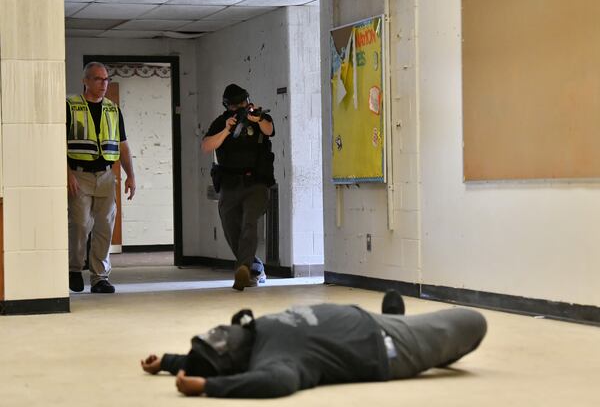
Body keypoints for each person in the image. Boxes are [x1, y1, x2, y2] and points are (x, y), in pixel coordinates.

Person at [140, 291, 487, 398]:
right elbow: (278, 383)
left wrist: (169, 361)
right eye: (220, 343)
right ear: (233, 359)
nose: (222, 333)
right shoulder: (274, 359)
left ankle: (397, 316)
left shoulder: (254, 330)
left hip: (366, 320)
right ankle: (408, 328)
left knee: (394, 307)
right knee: (474, 321)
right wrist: (207, 386)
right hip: (388, 346)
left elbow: (208, 356)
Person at [67, 61, 136, 294]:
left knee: (105, 226)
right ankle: (74, 269)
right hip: (79, 174)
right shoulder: (70, 105)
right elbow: (57, 142)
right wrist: (67, 174)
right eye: (98, 79)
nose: (103, 83)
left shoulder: (113, 109)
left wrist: (130, 175)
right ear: (85, 81)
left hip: (107, 175)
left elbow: (123, 146)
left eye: (106, 79)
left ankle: (100, 278)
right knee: (79, 224)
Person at [202, 84, 275, 291]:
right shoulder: (222, 122)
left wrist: (259, 119)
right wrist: (226, 129)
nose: (240, 108)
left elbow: (269, 130)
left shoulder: (259, 117)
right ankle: (254, 267)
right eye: (235, 105)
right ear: (227, 106)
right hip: (229, 184)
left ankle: (243, 270)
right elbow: (207, 146)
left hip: (256, 183)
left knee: (249, 224)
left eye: (242, 103)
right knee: (231, 230)